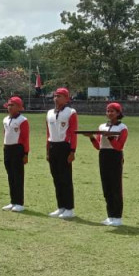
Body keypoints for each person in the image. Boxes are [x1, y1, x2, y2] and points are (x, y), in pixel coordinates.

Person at [83, 102, 128, 226]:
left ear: (118, 113)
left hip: (115, 156)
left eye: (112, 111)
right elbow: (99, 146)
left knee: (115, 186)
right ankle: (110, 216)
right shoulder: (102, 126)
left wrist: (110, 137)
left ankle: (117, 217)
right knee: (106, 186)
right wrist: (91, 137)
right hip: (103, 155)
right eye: (108, 111)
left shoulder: (122, 128)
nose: (109, 113)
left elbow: (119, 146)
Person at [46, 87, 77, 220]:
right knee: (56, 178)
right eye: (55, 96)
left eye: (59, 96)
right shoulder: (49, 113)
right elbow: (48, 133)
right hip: (53, 146)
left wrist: (72, 150)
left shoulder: (71, 112)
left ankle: (69, 208)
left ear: (66, 98)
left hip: (64, 147)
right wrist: (47, 150)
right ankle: (61, 207)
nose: (56, 98)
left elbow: (73, 133)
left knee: (65, 178)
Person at [1, 96, 29, 212]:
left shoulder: (22, 120)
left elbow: (25, 138)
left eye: (12, 105)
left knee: (18, 176)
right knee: (10, 176)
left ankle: (19, 203)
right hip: (7, 149)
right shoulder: (5, 119)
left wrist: (26, 153)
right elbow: (5, 133)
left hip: (18, 149)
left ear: (19, 107)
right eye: (9, 105)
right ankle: (13, 201)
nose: (10, 107)